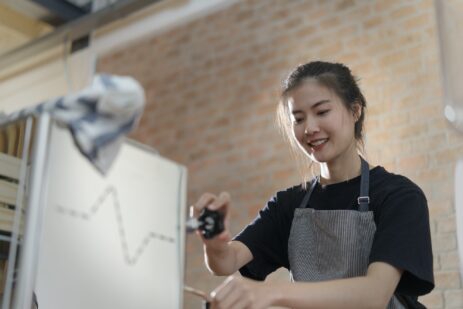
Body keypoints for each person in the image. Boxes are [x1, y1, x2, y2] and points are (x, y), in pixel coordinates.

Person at [193, 61, 434, 309]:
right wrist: (214, 242)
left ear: (355, 111)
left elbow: (374, 295)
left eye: (321, 112)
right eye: (298, 119)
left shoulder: (399, 196)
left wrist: (272, 293)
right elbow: (225, 262)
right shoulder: (288, 205)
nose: (309, 128)